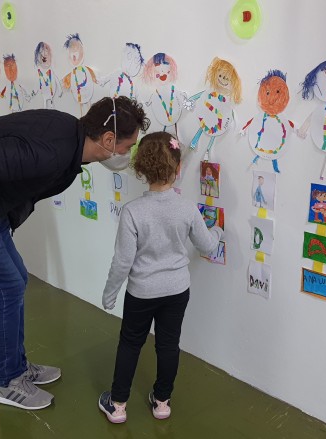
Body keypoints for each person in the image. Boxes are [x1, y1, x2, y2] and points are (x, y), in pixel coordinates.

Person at [0, 96, 149, 410]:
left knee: (17, 280)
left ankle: (18, 367)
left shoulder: (70, 138)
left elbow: (21, 181)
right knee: (5, 289)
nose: (127, 154)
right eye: (128, 146)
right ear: (108, 139)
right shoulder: (52, 152)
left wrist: (0, 219)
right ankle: (8, 382)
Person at [98, 132, 224, 423]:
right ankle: (162, 402)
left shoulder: (132, 212)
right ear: (178, 168)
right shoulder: (187, 208)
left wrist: (109, 294)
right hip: (177, 291)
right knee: (168, 345)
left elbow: (122, 261)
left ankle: (117, 405)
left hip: (141, 292)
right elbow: (207, 246)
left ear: (141, 169)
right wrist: (217, 231)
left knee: (130, 344)